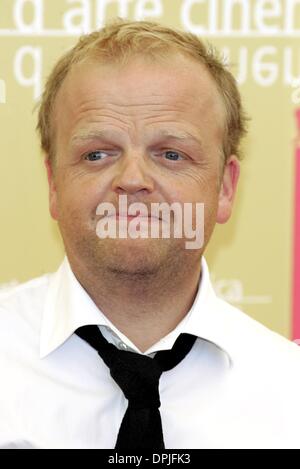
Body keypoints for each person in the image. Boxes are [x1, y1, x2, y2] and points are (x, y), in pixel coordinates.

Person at [1, 19, 300, 450]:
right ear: (52, 183)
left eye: (172, 154)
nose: (133, 179)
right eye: (97, 153)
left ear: (225, 187)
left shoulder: (290, 393)